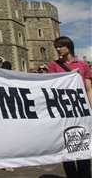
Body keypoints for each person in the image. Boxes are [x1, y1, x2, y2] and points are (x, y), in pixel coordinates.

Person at [47, 36, 92, 178]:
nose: (58, 49)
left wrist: (90, 107)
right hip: (64, 111)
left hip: (81, 110)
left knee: (84, 145)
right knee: (67, 148)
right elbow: (51, 87)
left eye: (60, 46)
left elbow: (88, 88)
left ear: (69, 46)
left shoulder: (83, 65)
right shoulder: (53, 65)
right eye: (56, 47)